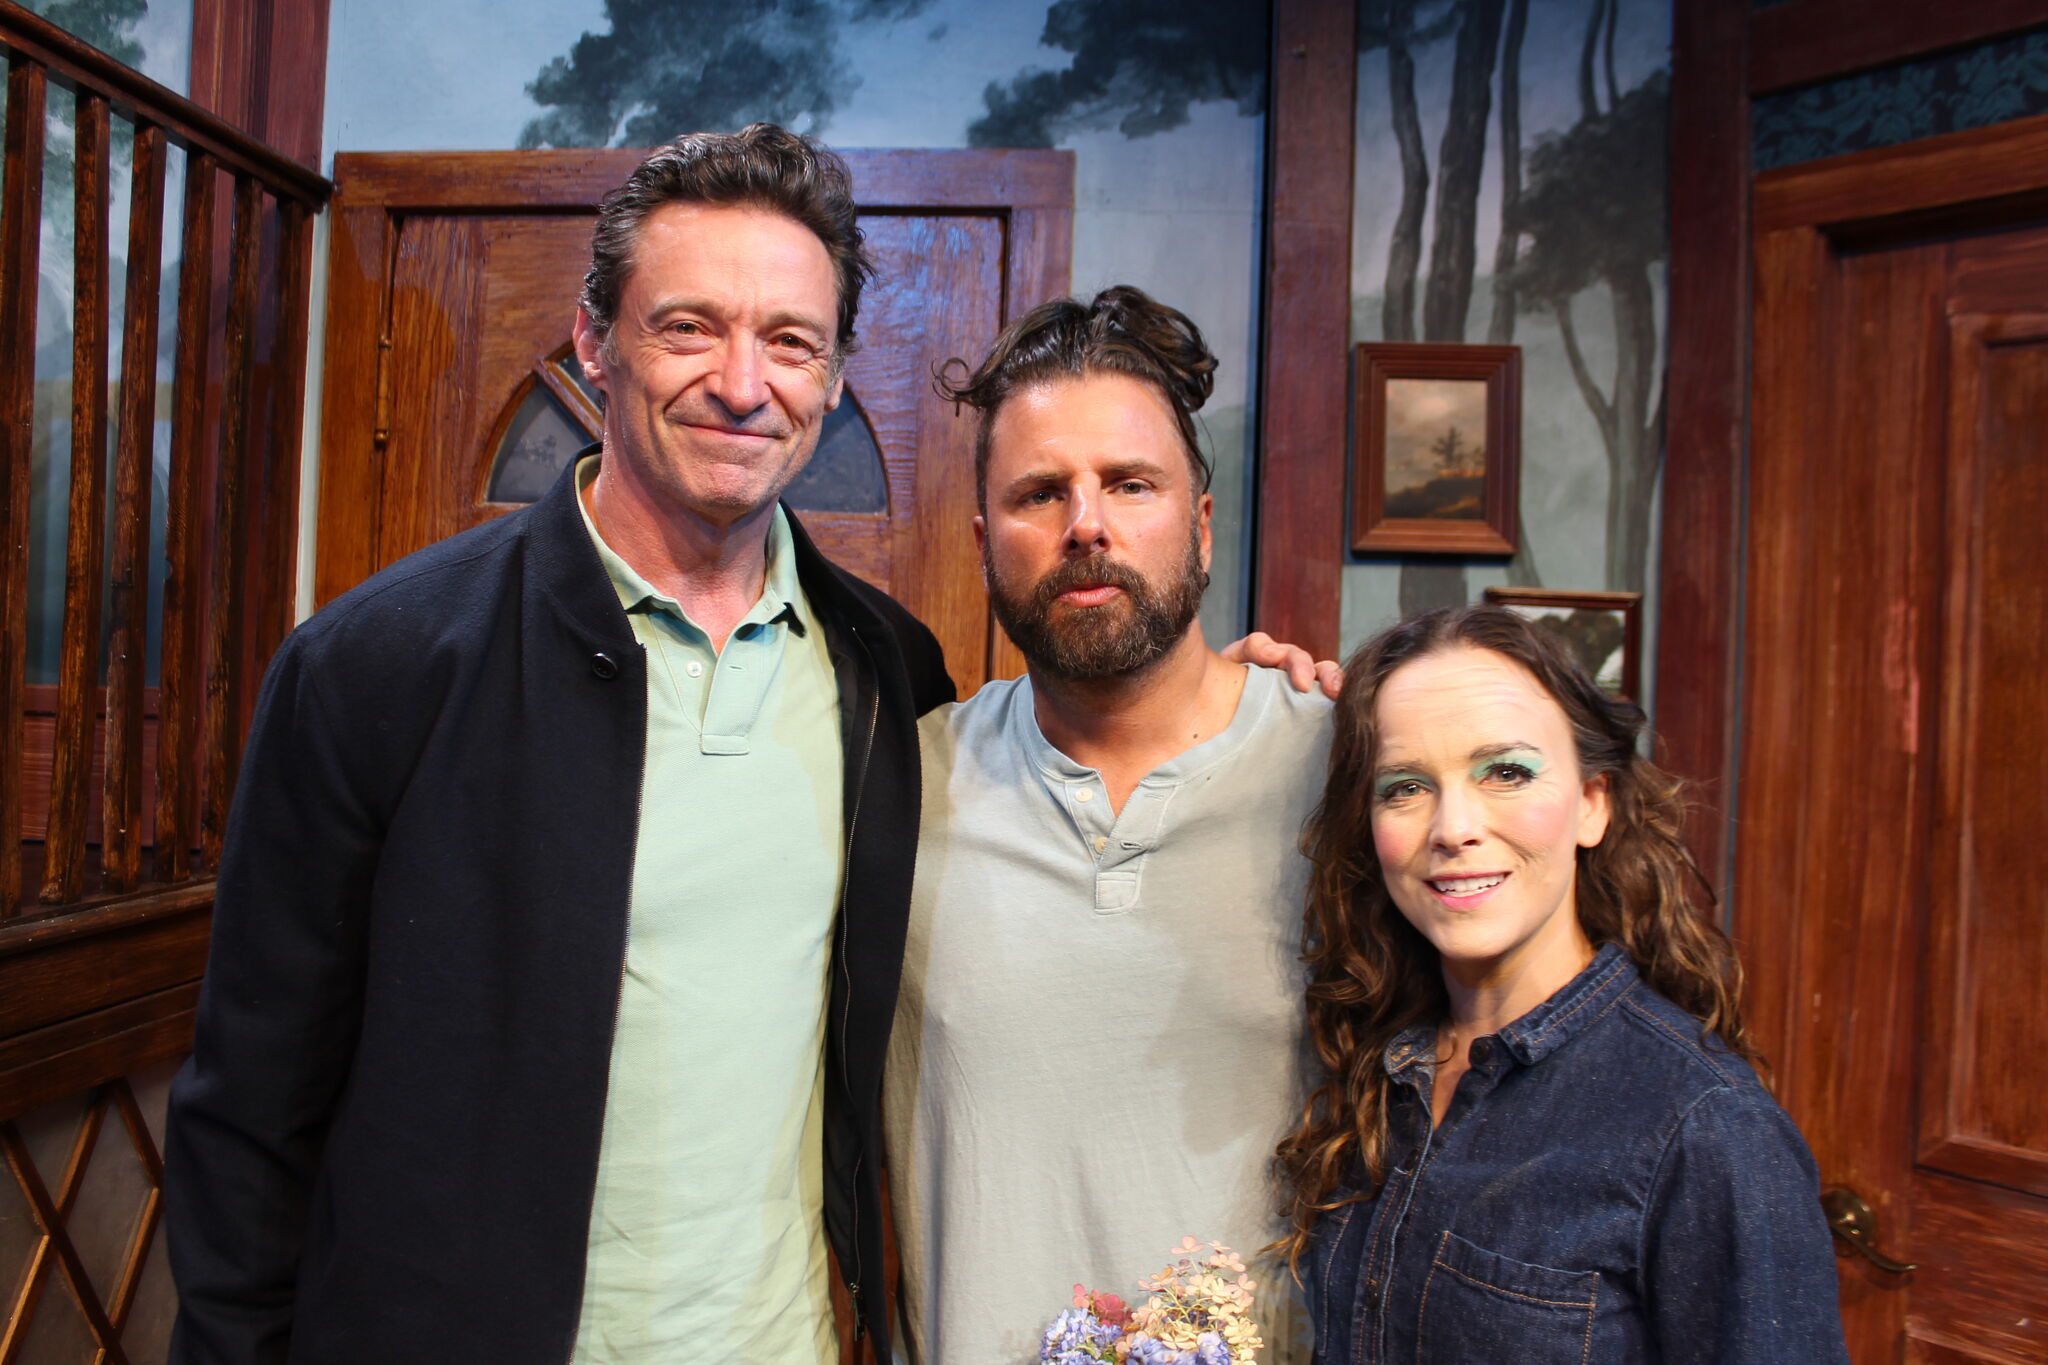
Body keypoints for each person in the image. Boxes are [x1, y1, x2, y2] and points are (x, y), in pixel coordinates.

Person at [163, 125, 955, 1365]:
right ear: (594, 341)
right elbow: (250, 1113)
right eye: (687, 327)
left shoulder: (884, 670)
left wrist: (1246, 695)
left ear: (836, 375)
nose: (742, 383)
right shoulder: (373, 667)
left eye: (790, 342)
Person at [884, 286, 1330, 1365]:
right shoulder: (896, 788)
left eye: (1130, 483)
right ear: (984, 542)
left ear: (1202, 524)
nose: (1085, 524)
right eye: (1040, 493)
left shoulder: (1349, 773)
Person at [1278, 606, 1849, 1363]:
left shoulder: (1706, 1127)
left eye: (1506, 772)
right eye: (1406, 786)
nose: (1453, 827)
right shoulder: (1376, 1065)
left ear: (1592, 804)